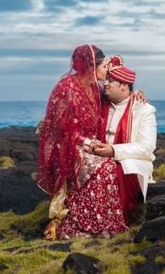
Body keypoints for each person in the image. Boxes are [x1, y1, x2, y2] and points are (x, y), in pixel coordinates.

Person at [38, 44, 128, 240]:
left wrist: (136, 94)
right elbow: (60, 126)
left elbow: (119, 96)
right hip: (67, 147)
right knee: (104, 168)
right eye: (103, 66)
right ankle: (80, 225)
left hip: (89, 145)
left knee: (111, 166)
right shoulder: (66, 87)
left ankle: (104, 225)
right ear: (91, 66)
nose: (107, 70)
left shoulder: (95, 89)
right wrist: (86, 142)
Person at [90, 55, 157, 225]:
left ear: (124, 86)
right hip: (99, 154)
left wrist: (113, 151)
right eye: (106, 80)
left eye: (110, 81)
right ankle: (88, 220)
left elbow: (146, 148)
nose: (105, 84)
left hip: (131, 161)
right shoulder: (99, 104)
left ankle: (113, 222)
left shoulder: (144, 109)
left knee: (111, 171)